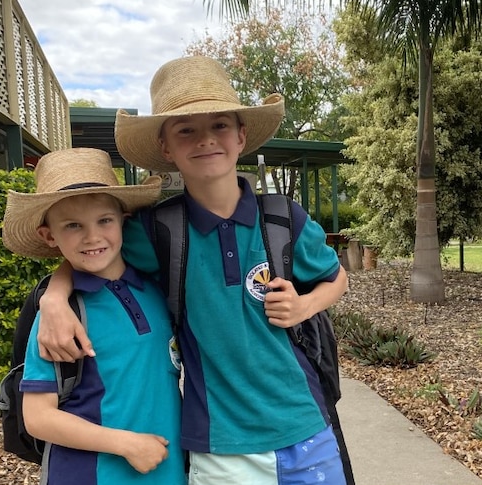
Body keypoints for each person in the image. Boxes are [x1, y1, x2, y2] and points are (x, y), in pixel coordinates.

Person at [37, 56, 350, 484]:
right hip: (219, 445)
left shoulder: (283, 220)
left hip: (305, 430)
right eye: (186, 129)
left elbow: (337, 278)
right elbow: (91, 250)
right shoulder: (158, 231)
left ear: (241, 136)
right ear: (166, 148)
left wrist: (306, 304)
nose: (205, 139)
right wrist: (54, 298)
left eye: (220, 125)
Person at [1, 148, 185, 484]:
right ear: (48, 235)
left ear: (123, 222)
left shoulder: (156, 288)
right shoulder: (61, 314)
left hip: (167, 472)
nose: (92, 236)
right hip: (89, 475)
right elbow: (38, 418)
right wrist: (126, 443)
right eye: (73, 225)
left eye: (104, 220)